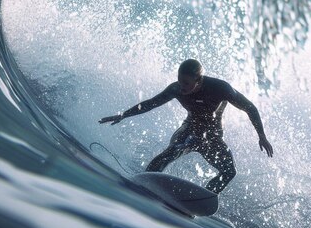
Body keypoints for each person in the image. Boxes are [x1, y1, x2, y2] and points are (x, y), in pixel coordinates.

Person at [98, 59, 273, 194]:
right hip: (189, 130)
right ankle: (143, 186)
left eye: (186, 83)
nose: (181, 87)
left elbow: (249, 107)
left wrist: (262, 136)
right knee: (169, 154)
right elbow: (151, 103)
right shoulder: (176, 89)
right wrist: (124, 115)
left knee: (229, 172)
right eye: (179, 81)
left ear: (199, 80)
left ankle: (203, 199)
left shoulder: (220, 89)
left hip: (212, 137)